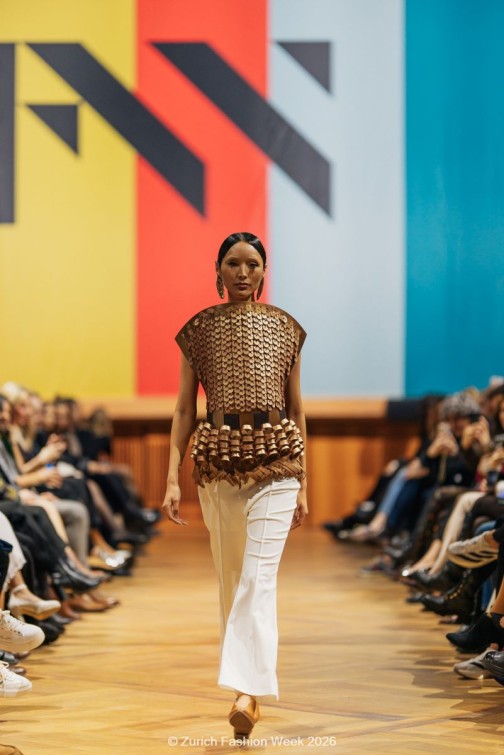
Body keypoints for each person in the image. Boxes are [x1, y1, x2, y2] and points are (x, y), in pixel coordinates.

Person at [162, 232, 308, 740]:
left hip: (279, 460)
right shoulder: (197, 331)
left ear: (264, 271)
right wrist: (171, 477)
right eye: (233, 263)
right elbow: (185, 409)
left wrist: (304, 480)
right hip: (218, 461)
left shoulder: (287, 328)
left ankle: (246, 692)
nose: (243, 273)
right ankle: (246, 690)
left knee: (258, 576)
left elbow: (297, 408)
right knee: (231, 578)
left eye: (252, 264)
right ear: (218, 270)